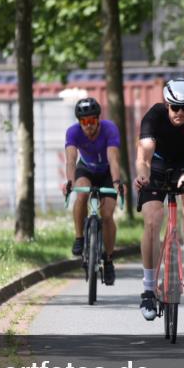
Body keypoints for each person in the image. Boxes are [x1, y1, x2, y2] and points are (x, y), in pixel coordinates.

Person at [134, 78, 184, 321]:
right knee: (152, 221)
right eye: (175, 107)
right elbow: (144, 156)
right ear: (166, 104)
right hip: (155, 167)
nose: (180, 113)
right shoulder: (154, 117)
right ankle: (148, 289)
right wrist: (142, 176)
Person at [63, 98, 125, 284]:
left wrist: (116, 182)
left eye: (91, 121)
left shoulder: (109, 129)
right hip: (86, 169)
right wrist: (69, 182)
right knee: (81, 194)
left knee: (106, 215)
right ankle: (80, 237)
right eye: (84, 122)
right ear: (79, 122)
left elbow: (113, 159)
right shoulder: (73, 132)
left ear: (98, 119)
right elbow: (71, 159)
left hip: (107, 172)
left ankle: (108, 260)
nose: (88, 125)